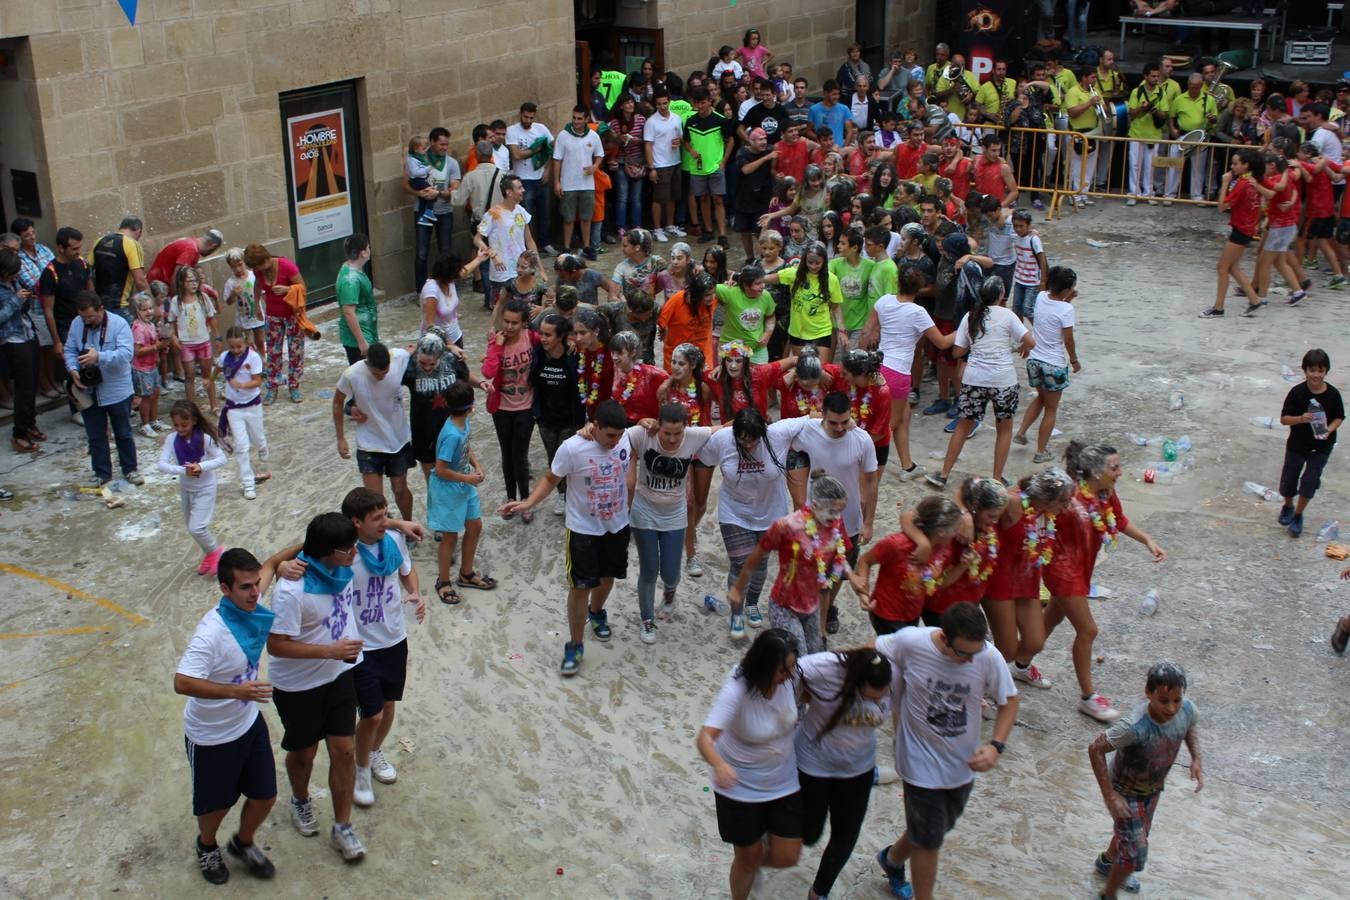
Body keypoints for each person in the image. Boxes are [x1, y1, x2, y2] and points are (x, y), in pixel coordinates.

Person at [873, 603, 1017, 900]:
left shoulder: (987, 656)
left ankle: (891, 860)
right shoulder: (911, 641)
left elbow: (1010, 701)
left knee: (934, 827)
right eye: (962, 653)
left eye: (974, 654)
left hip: (962, 763)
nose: (969, 661)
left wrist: (996, 746)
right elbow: (869, 652)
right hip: (917, 759)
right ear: (943, 638)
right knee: (929, 841)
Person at [174, 548, 283, 884]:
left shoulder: (249, 596)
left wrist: (294, 557)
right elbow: (182, 682)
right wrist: (237, 692)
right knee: (216, 806)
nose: (256, 594)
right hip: (212, 735)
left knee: (265, 795)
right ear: (224, 589)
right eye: (246, 588)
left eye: (256, 586)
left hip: (248, 723)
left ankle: (243, 842)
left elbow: (272, 564)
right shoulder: (211, 634)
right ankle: (207, 846)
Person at [502, 399, 632, 675]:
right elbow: (551, 478)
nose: (615, 441)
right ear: (594, 426)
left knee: (608, 578)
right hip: (583, 528)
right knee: (580, 588)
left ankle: (597, 612)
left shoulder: (628, 439)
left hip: (617, 525)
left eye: (619, 435)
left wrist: (647, 422)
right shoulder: (573, 448)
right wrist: (528, 503)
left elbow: (658, 428)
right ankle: (575, 643)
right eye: (610, 435)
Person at [1041, 442, 1167, 722]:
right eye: (1115, 467)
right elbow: (1033, 505)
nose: (1120, 472)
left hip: (1082, 569)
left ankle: (1018, 663)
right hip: (1062, 571)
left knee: (1050, 621)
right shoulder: (1069, 497)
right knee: (1088, 630)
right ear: (1096, 473)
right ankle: (1088, 697)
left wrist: (1148, 540)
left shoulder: (1106, 492)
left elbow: (1119, 520)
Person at [266, 512, 367, 860]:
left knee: (343, 751)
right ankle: (300, 799)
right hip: (299, 686)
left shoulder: (341, 570)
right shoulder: (291, 590)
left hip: (339, 675)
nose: (355, 553)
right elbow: (276, 644)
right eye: (348, 549)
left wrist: (343, 652)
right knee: (305, 752)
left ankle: (343, 827)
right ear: (329, 552)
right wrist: (330, 650)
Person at [697, 628, 803, 900]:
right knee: (748, 856)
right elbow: (705, 738)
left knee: (788, 855)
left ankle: (752, 864)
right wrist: (719, 765)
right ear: (763, 666)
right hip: (739, 784)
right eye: (783, 671)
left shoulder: (792, 675)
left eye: (792, 668)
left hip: (783, 779)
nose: (789, 676)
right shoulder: (737, 688)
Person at [338, 486, 424, 811]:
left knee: (388, 708)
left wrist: (414, 592)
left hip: (393, 638)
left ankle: (373, 752)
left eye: (386, 515)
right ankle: (360, 771)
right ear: (356, 523)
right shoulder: (346, 554)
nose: (384, 522)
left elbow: (406, 570)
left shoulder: (394, 541)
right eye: (377, 518)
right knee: (371, 714)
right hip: (361, 646)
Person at [1087, 661, 1202, 900]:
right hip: (1125, 791)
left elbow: (1188, 725)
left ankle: (1108, 862)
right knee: (1135, 852)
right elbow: (1096, 748)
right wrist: (1110, 795)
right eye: (1164, 701)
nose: (1172, 708)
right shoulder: (1134, 727)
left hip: (1152, 789)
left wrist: (1196, 758)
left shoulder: (1187, 709)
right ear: (1148, 694)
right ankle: (1108, 895)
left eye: (1177, 700)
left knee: (1134, 835)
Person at [795, 647, 891, 900]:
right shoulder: (823, 669)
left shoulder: (894, 681)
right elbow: (783, 675)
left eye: (881, 697)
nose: (876, 702)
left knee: (846, 835)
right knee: (809, 834)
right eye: (870, 696)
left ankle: (819, 893)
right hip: (813, 765)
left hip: (858, 770)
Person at [786, 392, 880, 635]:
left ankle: (826, 609)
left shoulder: (862, 439)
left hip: (849, 522)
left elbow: (871, 483)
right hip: (814, 520)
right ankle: (815, 616)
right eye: (833, 423)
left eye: (844, 422)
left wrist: (868, 522)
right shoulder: (807, 430)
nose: (840, 428)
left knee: (837, 574)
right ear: (822, 416)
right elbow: (782, 443)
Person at [929, 276, 1034, 488]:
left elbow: (958, 351)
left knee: (963, 425)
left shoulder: (970, 316)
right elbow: (1030, 341)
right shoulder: (1008, 315)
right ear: (1002, 295)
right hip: (1003, 380)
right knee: (1004, 429)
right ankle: (996, 478)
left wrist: (975, 345)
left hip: (974, 378)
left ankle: (943, 474)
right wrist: (1024, 347)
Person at [732, 474, 854, 655]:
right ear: (815, 504)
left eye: (840, 511)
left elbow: (839, 557)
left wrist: (853, 577)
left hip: (812, 607)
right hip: (784, 606)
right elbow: (756, 556)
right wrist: (738, 588)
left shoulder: (834, 524)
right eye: (832, 511)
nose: (837, 516)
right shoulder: (787, 526)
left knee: (816, 656)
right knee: (799, 660)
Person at [625, 402, 715, 643]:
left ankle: (669, 592)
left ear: (686, 428)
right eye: (667, 433)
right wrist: (590, 427)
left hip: (675, 515)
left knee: (671, 572)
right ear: (658, 426)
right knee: (649, 569)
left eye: (678, 433)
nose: (673, 439)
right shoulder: (642, 434)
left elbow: (725, 429)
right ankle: (647, 620)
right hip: (644, 511)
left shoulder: (695, 436)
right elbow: (609, 436)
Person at [983, 468, 1075, 686]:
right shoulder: (1014, 503)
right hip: (1000, 581)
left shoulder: (1050, 513)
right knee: (1006, 648)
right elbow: (972, 493)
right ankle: (979, 682)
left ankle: (1016, 670)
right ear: (1046, 497)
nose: (1067, 506)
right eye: (1063, 501)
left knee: (1035, 641)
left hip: (1027, 580)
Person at [863, 268, 956, 484]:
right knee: (889, 424)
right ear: (919, 289)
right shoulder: (917, 312)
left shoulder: (884, 301)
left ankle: (908, 465)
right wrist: (964, 330)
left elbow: (867, 333)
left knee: (903, 419)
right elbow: (941, 342)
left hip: (878, 367)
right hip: (898, 374)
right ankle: (860, 458)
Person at [64, 291, 143, 486]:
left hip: (117, 390)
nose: (87, 321)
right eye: (84, 317)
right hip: (88, 391)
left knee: (123, 432)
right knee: (95, 435)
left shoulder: (119, 324)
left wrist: (99, 357)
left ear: (101, 309)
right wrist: (73, 369)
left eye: (91, 317)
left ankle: (130, 469)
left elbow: (126, 354)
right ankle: (101, 473)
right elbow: (69, 350)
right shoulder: (77, 323)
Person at [851, 495, 959, 634]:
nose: (957, 534)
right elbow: (865, 561)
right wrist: (863, 592)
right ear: (941, 531)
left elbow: (937, 582)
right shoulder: (897, 545)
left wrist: (943, 575)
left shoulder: (945, 549)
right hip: (886, 614)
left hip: (913, 614)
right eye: (955, 529)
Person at [333, 343, 415, 522]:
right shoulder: (352, 374)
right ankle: (384, 531)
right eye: (377, 374)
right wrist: (341, 438)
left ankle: (408, 524)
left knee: (400, 490)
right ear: (367, 364)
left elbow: (414, 348)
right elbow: (338, 402)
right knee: (374, 500)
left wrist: (451, 347)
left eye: (385, 372)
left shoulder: (398, 357)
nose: (381, 377)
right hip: (369, 443)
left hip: (398, 440)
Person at [1198, 149, 1276, 318]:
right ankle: (1254, 300)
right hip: (1247, 228)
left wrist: (1225, 183)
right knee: (1232, 267)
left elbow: (1222, 207)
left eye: (1235, 164)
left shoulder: (1243, 183)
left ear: (1246, 165)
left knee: (1223, 267)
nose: (1232, 167)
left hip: (1241, 229)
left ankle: (1219, 307)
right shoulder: (1253, 180)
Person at [1014, 266, 1080, 460]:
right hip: (1053, 364)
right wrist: (1074, 360)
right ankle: (1041, 451)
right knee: (1051, 409)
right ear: (1067, 289)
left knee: (1041, 398)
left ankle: (1021, 432)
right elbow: (1068, 340)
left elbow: (1051, 311)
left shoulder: (1041, 297)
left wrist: (1067, 298)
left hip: (1035, 360)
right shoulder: (1067, 309)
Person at [1276, 348, 1343, 539]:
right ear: (1305, 371)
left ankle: (1298, 515)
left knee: (1309, 482)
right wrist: (1302, 418)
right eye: (1312, 370)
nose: (1316, 375)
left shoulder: (1332, 395)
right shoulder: (1297, 393)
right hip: (1297, 444)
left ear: (1326, 372)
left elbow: (1339, 417)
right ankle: (1288, 505)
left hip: (1321, 447)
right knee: (1288, 480)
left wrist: (1329, 429)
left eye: (1320, 371)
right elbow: (1284, 419)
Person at [482, 299, 539, 514]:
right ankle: (510, 496)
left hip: (526, 407)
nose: (508, 326)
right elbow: (488, 372)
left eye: (514, 322)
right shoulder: (495, 342)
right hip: (502, 408)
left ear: (523, 323)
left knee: (520, 455)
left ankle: (525, 500)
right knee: (506, 453)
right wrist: (497, 346)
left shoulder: (532, 338)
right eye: (506, 321)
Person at [158, 399, 227, 574]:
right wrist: (183, 470)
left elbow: (222, 459)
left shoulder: (205, 439)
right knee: (192, 528)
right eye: (176, 425)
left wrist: (201, 466)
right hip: (186, 489)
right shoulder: (171, 439)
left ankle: (216, 552)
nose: (180, 429)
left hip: (205, 488)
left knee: (197, 527)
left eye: (184, 424)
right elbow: (162, 465)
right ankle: (209, 555)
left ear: (194, 421)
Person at [404, 327, 474, 492]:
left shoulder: (452, 360)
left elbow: (465, 379)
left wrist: (480, 384)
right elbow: (386, 377)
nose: (427, 368)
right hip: (423, 431)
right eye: (423, 363)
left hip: (451, 430)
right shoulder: (409, 365)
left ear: (441, 356)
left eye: (432, 364)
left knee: (458, 481)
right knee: (433, 484)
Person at [244, 243, 307, 405]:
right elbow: (258, 285)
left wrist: (287, 289)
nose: (259, 269)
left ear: (266, 257)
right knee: (273, 352)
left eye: (260, 265)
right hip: (273, 315)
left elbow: (302, 287)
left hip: (293, 314)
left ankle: (294, 385)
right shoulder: (258, 270)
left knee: (295, 351)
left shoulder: (286, 266)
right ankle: (272, 386)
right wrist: (257, 304)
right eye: (255, 267)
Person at [218, 326, 269, 500]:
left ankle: (263, 447)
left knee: (258, 437)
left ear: (245, 343)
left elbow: (257, 381)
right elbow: (217, 369)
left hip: (253, 406)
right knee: (241, 446)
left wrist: (241, 385)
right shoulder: (225, 357)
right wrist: (208, 381)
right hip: (233, 408)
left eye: (238, 347)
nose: (235, 350)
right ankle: (248, 483)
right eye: (232, 347)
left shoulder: (253, 357)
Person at [475, 174, 538, 313]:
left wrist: (540, 268)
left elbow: (529, 240)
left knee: (523, 312)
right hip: (501, 273)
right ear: (509, 192)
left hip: (522, 270)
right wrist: (492, 254)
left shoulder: (521, 211)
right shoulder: (493, 214)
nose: (523, 190)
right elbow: (477, 239)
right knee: (501, 311)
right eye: (519, 187)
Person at [553, 105, 606, 260]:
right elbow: (557, 160)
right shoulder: (563, 135)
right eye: (574, 118)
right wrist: (556, 182)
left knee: (586, 217)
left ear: (586, 119)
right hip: (568, 183)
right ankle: (567, 247)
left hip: (587, 184)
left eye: (579, 119)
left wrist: (595, 166)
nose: (576, 121)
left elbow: (600, 155)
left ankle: (587, 246)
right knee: (568, 218)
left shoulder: (593, 136)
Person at [167, 266, 220, 412]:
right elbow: (172, 322)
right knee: (189, 377)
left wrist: (218, 336)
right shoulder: (176, 301)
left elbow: (211, 318)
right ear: (181, 282)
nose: (194, 284)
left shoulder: (203, 298)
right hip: (186, 345)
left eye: (195, 280)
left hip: (203, 342)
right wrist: (173, 337)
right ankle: (192, 407)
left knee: (207, 375)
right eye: (189, 281)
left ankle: (214, 404)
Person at [89, 215, 149, 322]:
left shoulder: (100, 240)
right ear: (139, 231)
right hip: (119, 306)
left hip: (98, 306)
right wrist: (152, 303)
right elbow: (140, 281)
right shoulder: (132, 244)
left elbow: (87, 271)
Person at [716, 265, 777, 364]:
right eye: (758, 283)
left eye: (763, 282)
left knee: (759, 378)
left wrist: (767, 333)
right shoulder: (729, 292)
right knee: (729, 379)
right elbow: (705, 287)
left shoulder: (766, 295)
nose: (763, 286)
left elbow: (771, 316)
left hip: (757, 350)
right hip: (731, 346)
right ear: (746, 285)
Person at [659, 271, 717, 372]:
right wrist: (662, 330)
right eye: (708, 295)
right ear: (696, 295)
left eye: (713, 293)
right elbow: (661, 322)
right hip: (679, 359)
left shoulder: (711, 298)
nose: (712, 298)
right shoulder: (676, 300)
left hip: (703, 358)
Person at [335, 234, 376, 364]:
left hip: (366, 332)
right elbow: (348, 312)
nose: (370, 249)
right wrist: (362, 342)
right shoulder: (350, 280)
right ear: (363, 253)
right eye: (368, 247)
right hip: (358, 339)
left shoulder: (350, 267)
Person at [221, 248, 264, 356]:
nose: (238, 269)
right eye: (234, 267)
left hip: (257, 316)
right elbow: (229, 301)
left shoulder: (253, 276)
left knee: (260, 341)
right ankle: (250, 363)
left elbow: (263, 293)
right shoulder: (231, 282)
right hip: (242, 320)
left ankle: (263, 363)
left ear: (245, 262)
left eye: (240, 264)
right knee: (248, 344)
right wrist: (233, 294)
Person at [147, 228, 225, 289]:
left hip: (158, 284)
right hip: (158, 288)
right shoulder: (191, 249)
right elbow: (177, 278)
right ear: (213, 246)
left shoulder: (191, 243)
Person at [1010, 211, 1047, 322]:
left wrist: (1043, 281)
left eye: (1021, 226)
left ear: (1028, 225)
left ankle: (1039, 330)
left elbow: (1042, 259)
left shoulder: (1034, 240)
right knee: (1016, 309)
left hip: (1032, 281)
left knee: (1027, 310)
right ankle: (1022, 335)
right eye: (1016, 226)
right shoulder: (1015, 237)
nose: (1018, 229)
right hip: (1019, 279)